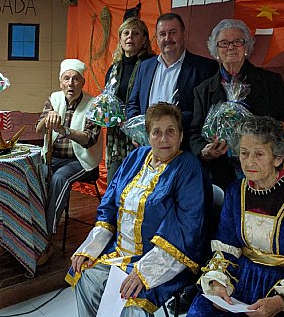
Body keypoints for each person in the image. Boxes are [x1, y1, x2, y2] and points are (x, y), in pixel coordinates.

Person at [67, 103, 212, 316]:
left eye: (171, 131)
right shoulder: (136, 157)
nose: (163, 139)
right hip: (119, 252)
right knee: (85, 273)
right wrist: (91, 247)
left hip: (164, 259)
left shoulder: (189, 168)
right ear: (148, 136)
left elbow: (187, 230)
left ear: (181, 136)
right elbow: (109, 206)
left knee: (132, 300)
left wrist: (144, 272)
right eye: (157, 132)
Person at [186, 116, 284, 317]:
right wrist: (218, 283)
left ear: (278, 158)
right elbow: (226, 247)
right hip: (242, 278)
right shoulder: (235, 192)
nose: (249, 162)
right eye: (244, 153)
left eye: (259, 154)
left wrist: (281, 300)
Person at [190, 18, 284, 191]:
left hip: (265, 170)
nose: (231, 47)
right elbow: (195, 132)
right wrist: (205, 151)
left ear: (246, 47)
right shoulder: (203, 90)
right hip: (222, 174)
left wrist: (269, 143)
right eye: (224, 43)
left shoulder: (270, 82)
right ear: (215, 50)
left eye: (237, 42)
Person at [35, 58, 102, 264]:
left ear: (83, 82)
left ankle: (46, 239)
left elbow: (90, 139)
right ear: (60, 82)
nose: (70, 83)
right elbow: (38, 129)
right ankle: (28, 229)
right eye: (66, 79)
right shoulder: (54, 99)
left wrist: (64, 130)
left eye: (75, 79)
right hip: (52, 156)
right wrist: (48, 119)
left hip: (81, 160)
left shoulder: (93, 104)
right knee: (32, 175)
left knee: (59, 179)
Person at [126, 12, 218, 150]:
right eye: (162, 34)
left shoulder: (205, 68)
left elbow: (204, 113)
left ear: (184, 35)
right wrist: (137, 131)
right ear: (157, 38)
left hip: (184, 149)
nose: (167, 38)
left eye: (173, 33)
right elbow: (133, 103)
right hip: (148, 148)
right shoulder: (144, 66)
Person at [103, 17, 155, 182]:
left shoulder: (151, 65)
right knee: (114, 182)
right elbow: (108, 100)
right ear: (120, 39)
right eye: (126, 33)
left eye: (135, 33)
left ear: (144, 39)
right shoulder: (114, 69)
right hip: (116, 136)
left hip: (140, 133)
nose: (130, 37)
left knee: (137, 182)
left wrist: (132, 123)